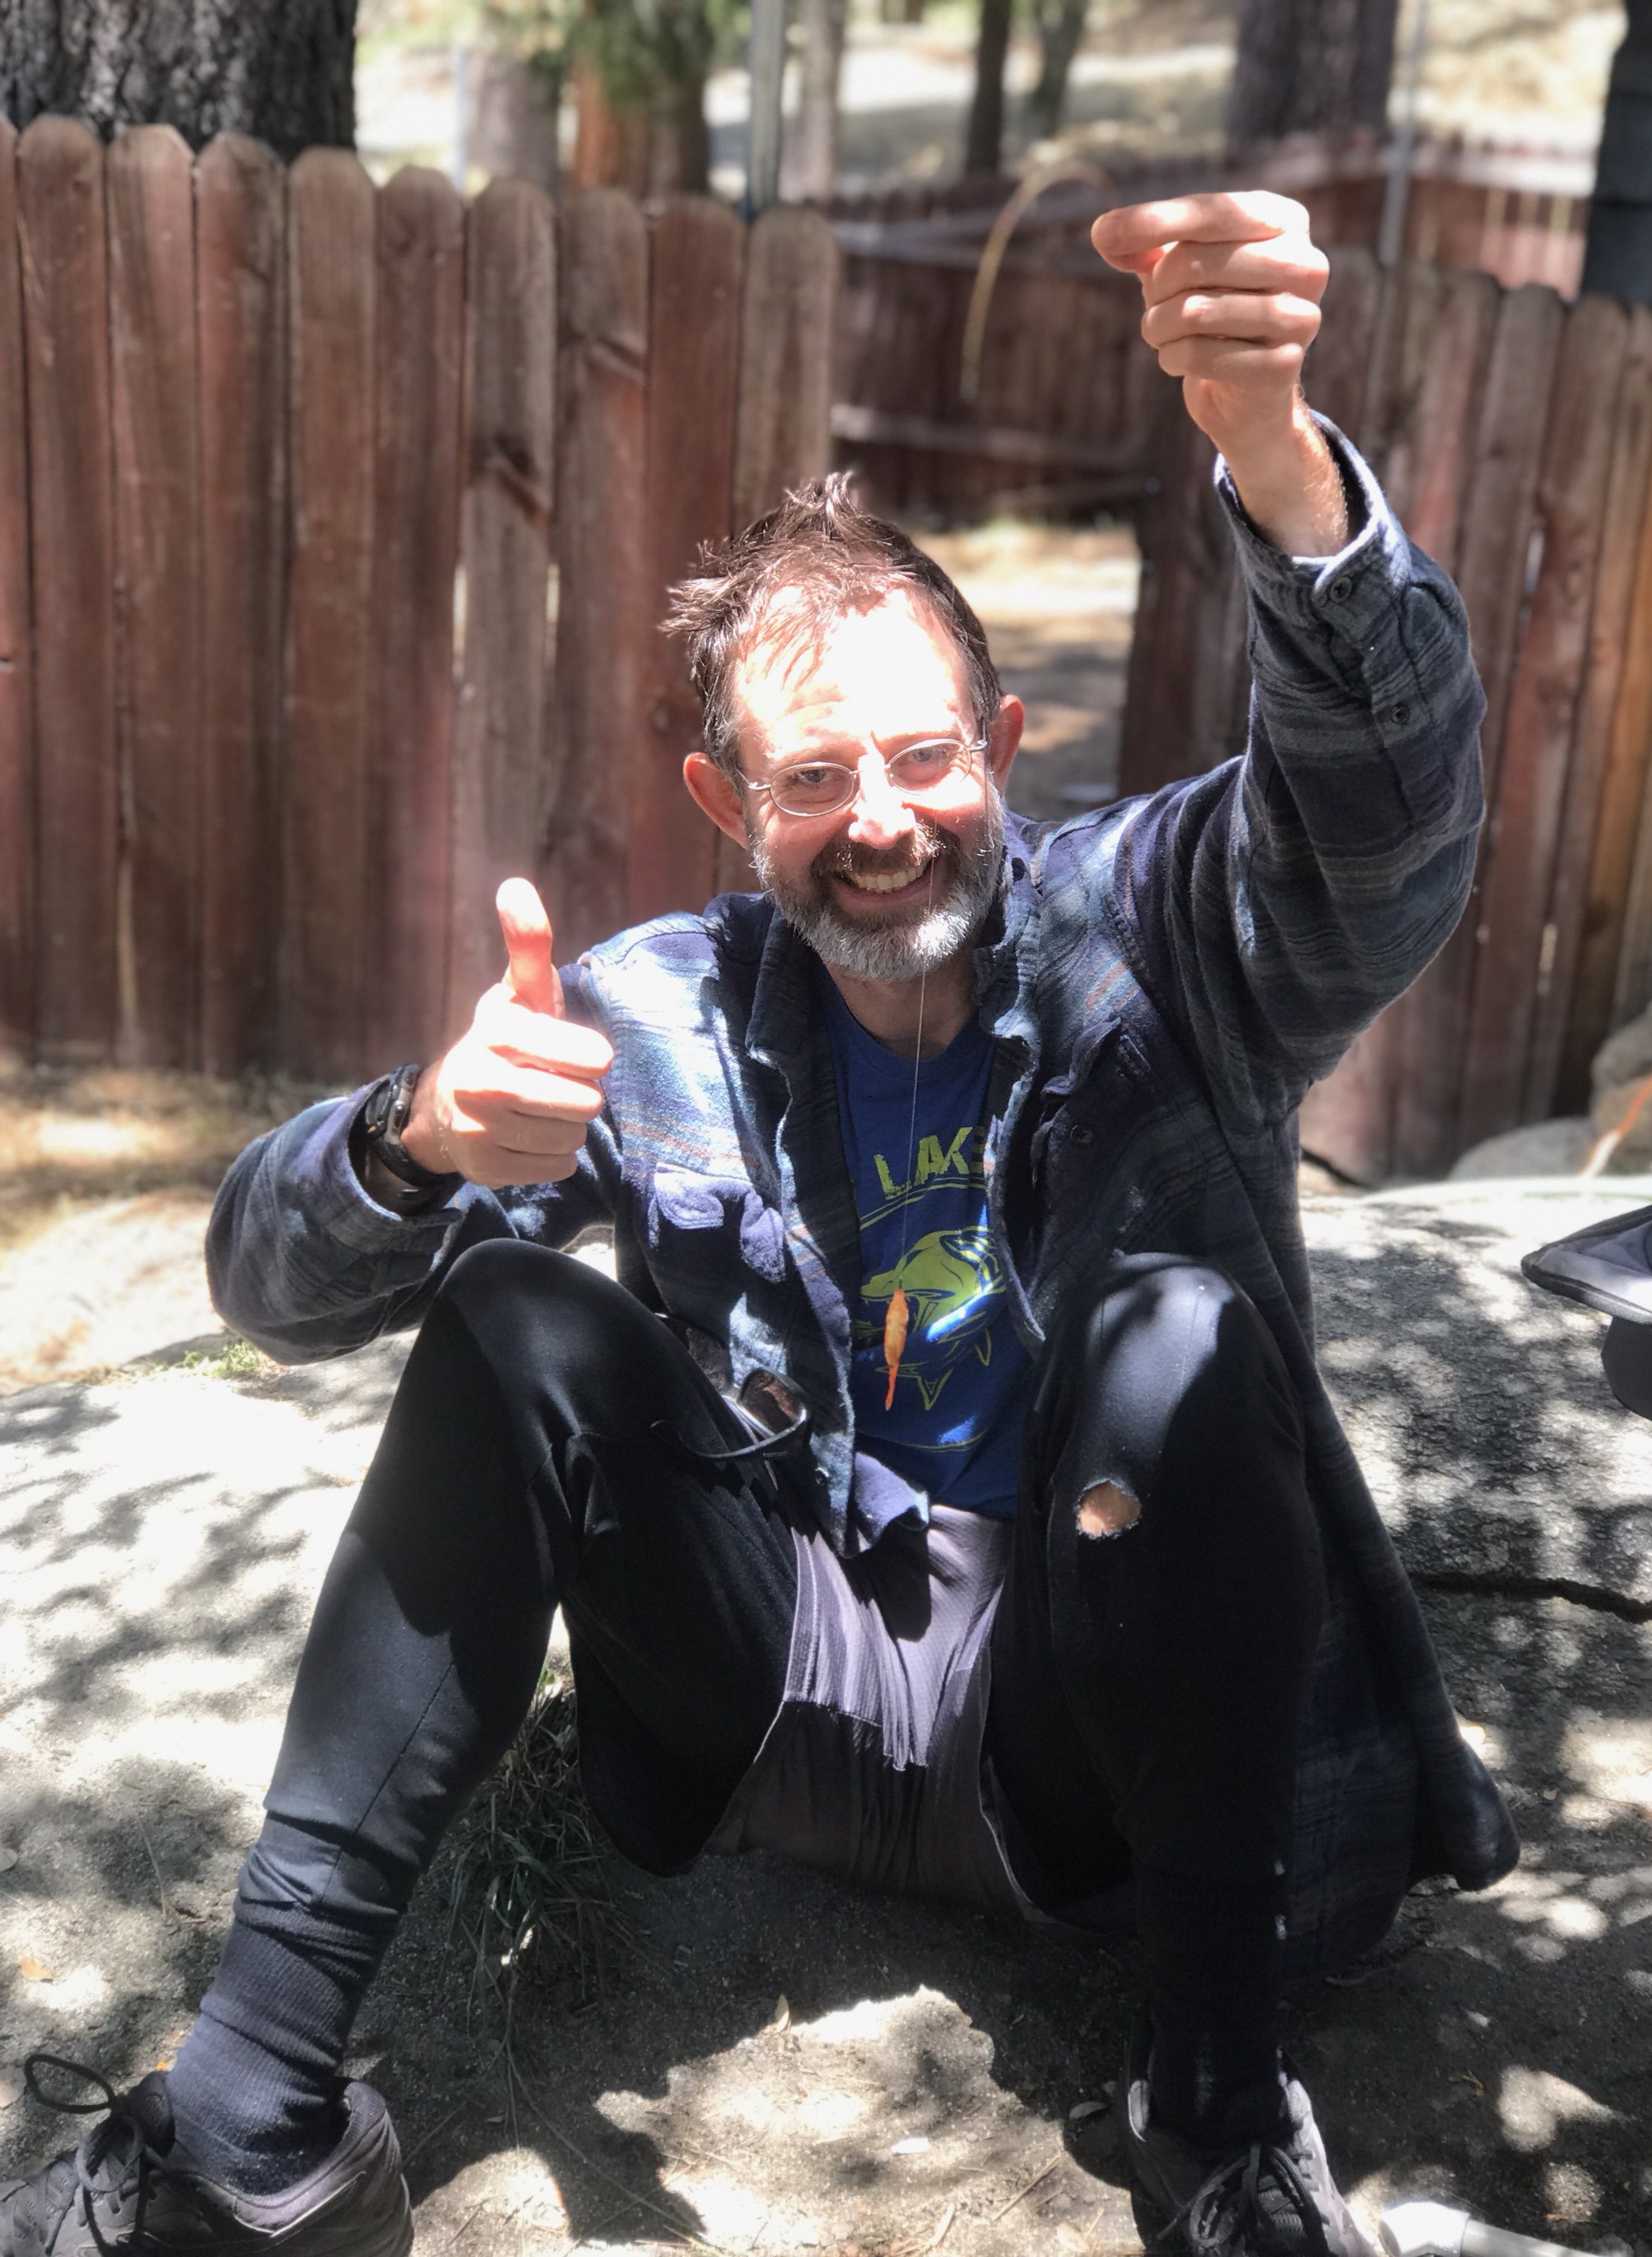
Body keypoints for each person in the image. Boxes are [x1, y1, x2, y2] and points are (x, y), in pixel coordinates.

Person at [2, 189, 1517, 2257]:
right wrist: (420, 1142)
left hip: (1083, 1739)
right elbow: (269, 1294)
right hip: (761, 1706)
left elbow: (1386, 823)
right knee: (519, 1326)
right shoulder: (646, 1014)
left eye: (921, 756)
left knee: (1177, 1339)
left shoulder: (1157, 925)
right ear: (732, 809)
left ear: (1001, 750)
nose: (882, 819)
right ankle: (250, 2117)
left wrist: (1270, 455)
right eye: (816, 778)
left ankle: (1217, 2099)